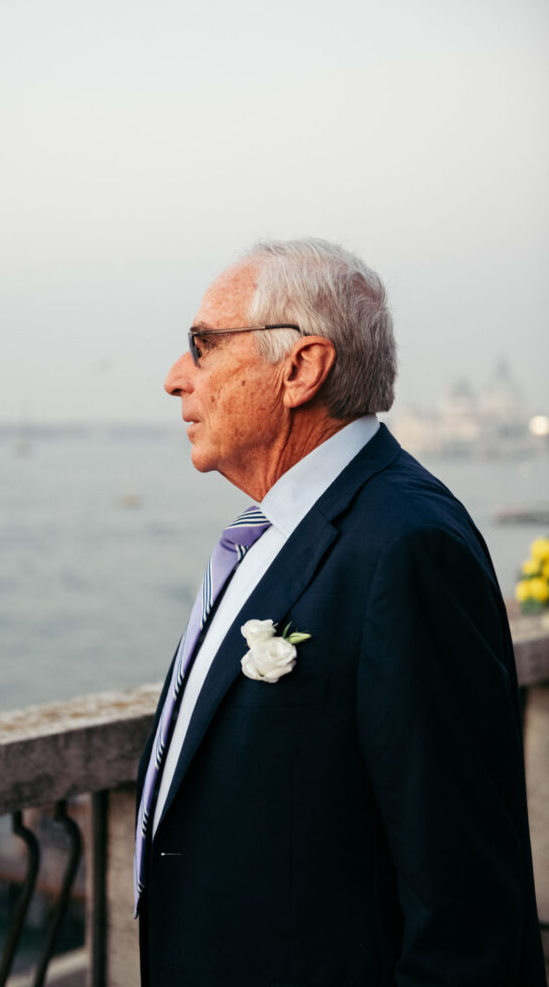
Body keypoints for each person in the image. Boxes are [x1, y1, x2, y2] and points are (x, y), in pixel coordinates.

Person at [134, 239, 546, 986]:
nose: (173, 380)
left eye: (200, 346)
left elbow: (463, 898)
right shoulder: (276, 527)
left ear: (300, 369)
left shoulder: (407, 545)